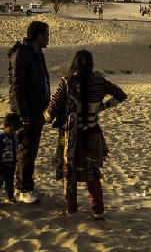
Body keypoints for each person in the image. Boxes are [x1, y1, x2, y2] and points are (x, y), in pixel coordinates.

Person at [46, 50, 127, 220]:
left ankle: (72, 209)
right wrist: (102, 107)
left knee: (69, 172)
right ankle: (97, 211)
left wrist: (44, 117)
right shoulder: (100, 81)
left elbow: (51, 110)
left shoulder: (66, 82)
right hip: (92, 134)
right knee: (92, 173)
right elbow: (121, 95)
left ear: (74, 63)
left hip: (70, 136)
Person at [8, 20, 50, 204]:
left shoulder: (37, 53)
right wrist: (23, 113)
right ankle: (22, 189)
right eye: (46, 34)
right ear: (38, 35)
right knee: (26, 149)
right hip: (27, 111)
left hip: (38, 109)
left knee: (32, 149)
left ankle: (28, 185)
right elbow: (17, 86)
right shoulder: (22, 54)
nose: (48, 38)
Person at [0, 113, 25, 203]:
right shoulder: (1, 136)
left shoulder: (14, 135)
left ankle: (9, 197)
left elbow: (20, 137)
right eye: (12, 129)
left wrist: (23, 129)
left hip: (11, 163)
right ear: (6, 125)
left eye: (15, 130)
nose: (13, 131)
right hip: (1, 164)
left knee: (9, 182)